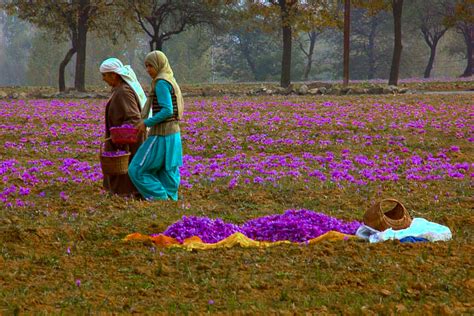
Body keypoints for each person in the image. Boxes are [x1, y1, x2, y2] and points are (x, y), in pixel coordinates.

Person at [128, 50, 184, 201]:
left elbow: (167, 110)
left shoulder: (161, 83)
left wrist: (145, 123)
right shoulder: (171, 80)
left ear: (159, 65)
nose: (148, 70)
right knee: (167, 170)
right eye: (146, 66)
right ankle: (171, 200)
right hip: (174, 135)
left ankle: (160, 198)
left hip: (162, 134)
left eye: (150, 66)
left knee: (136, 170)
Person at [99, 57, 147, 197]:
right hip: (120, 138)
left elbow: (133, 118)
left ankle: (128, 193)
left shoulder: (124, 92)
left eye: (105, 75)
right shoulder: (118, 89)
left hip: (126, 139)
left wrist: (121, 137)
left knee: (126, 169)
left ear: (114, 75)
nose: (103, 79)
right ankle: (121, 193)